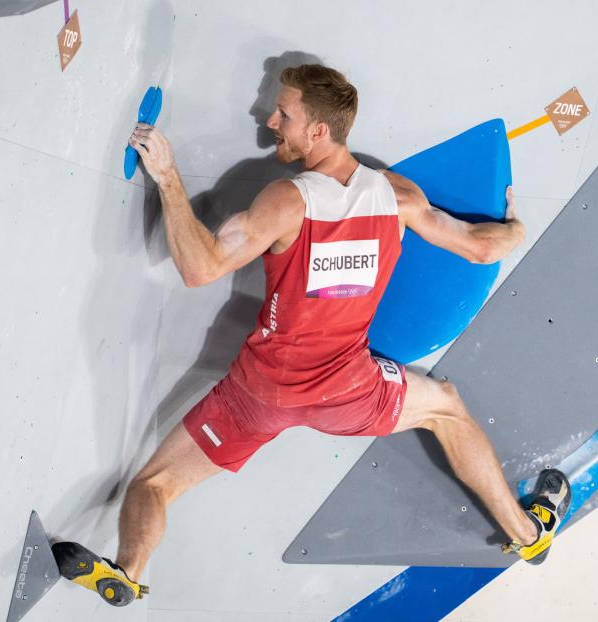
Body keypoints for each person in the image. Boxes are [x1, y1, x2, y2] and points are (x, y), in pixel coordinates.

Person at [52, 64, 570, 607]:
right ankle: (530, 537)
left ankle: (130, 570)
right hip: (348, 393)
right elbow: (481, 246)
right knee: (446, 407)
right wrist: (517, 227)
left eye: (284, 114)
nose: (270, 120)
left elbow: (201, 267)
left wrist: (169, 177)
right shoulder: (396, 196)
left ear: (319, 131)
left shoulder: (288, 200)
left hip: (259, 396)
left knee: (153, 485)